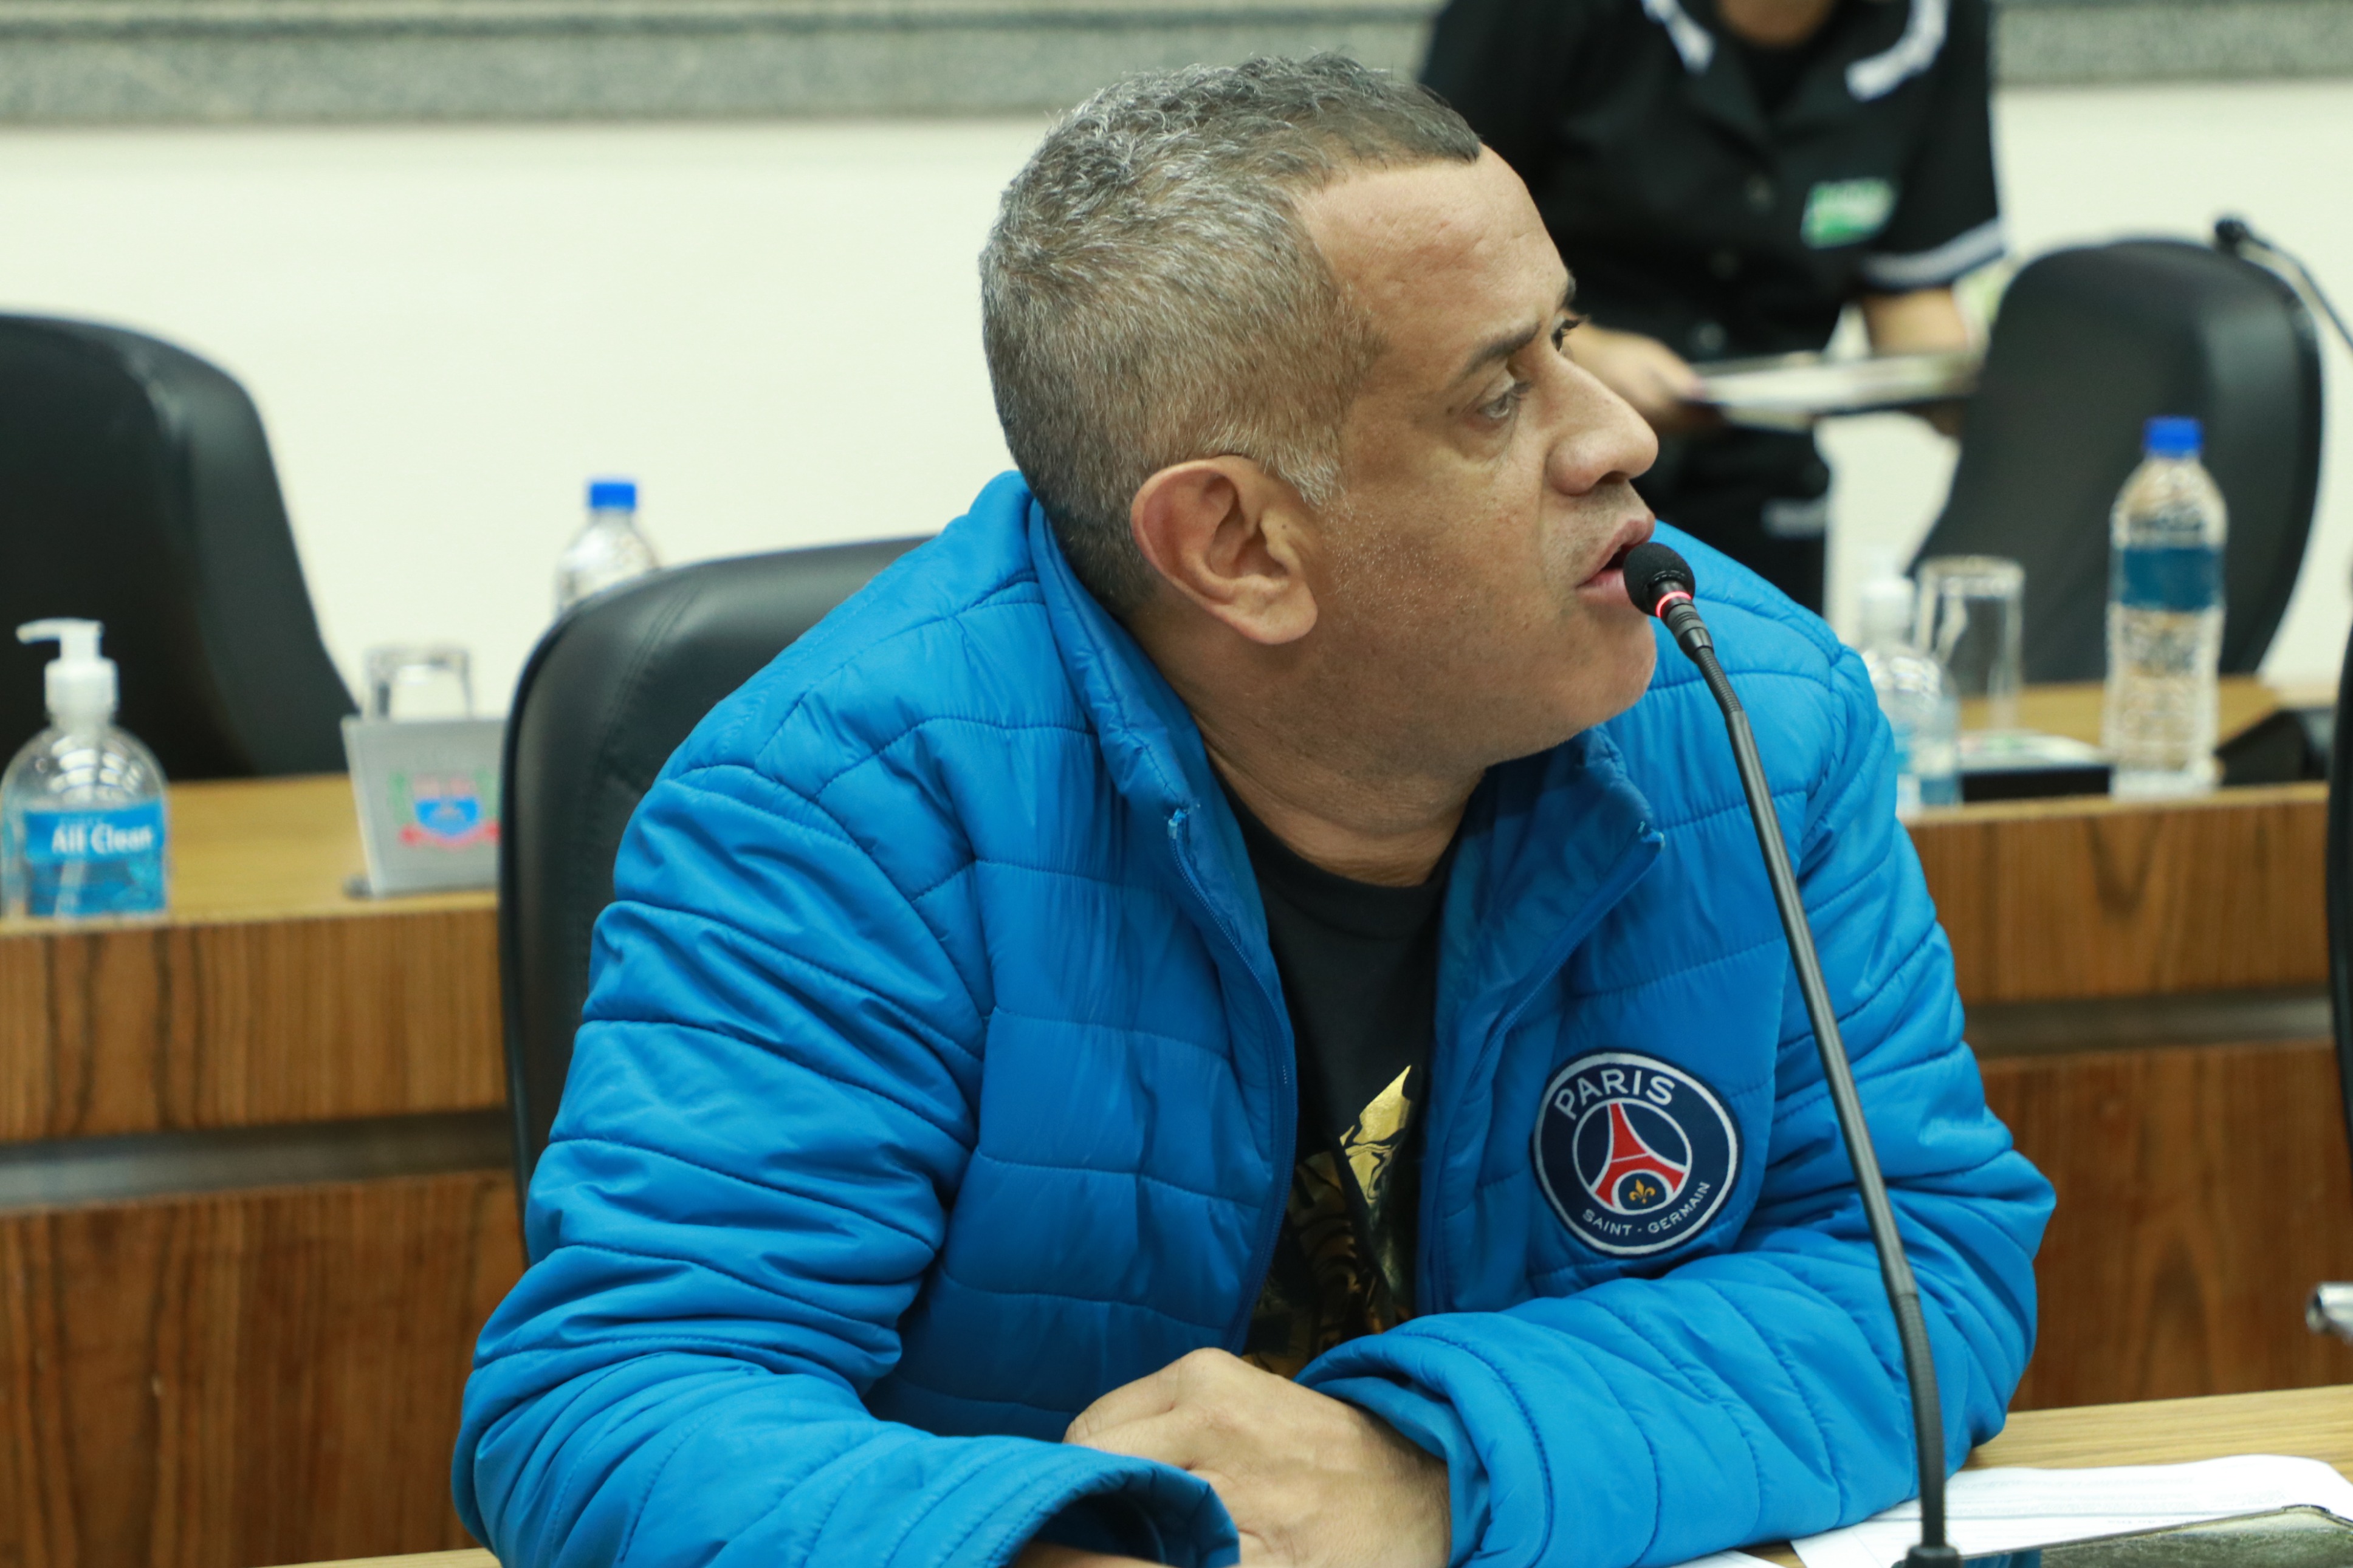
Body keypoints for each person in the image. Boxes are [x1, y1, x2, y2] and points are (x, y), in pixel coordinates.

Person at [453, 56, 2049, 1568]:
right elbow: (621, 1400)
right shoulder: (841, 809)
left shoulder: (1757, 716)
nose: (1617, 434)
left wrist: (1426, 1468)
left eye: (1567, 337)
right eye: (1497, 397)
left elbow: (1920, 1265)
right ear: (1235, 545)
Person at [1423, 0, 2002, 612]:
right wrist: (1577, 350)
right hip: (1551, 470)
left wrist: (1994, 390)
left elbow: (1908, 290)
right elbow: (1434, 250)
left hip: (1762, 495)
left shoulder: (1934, 22)